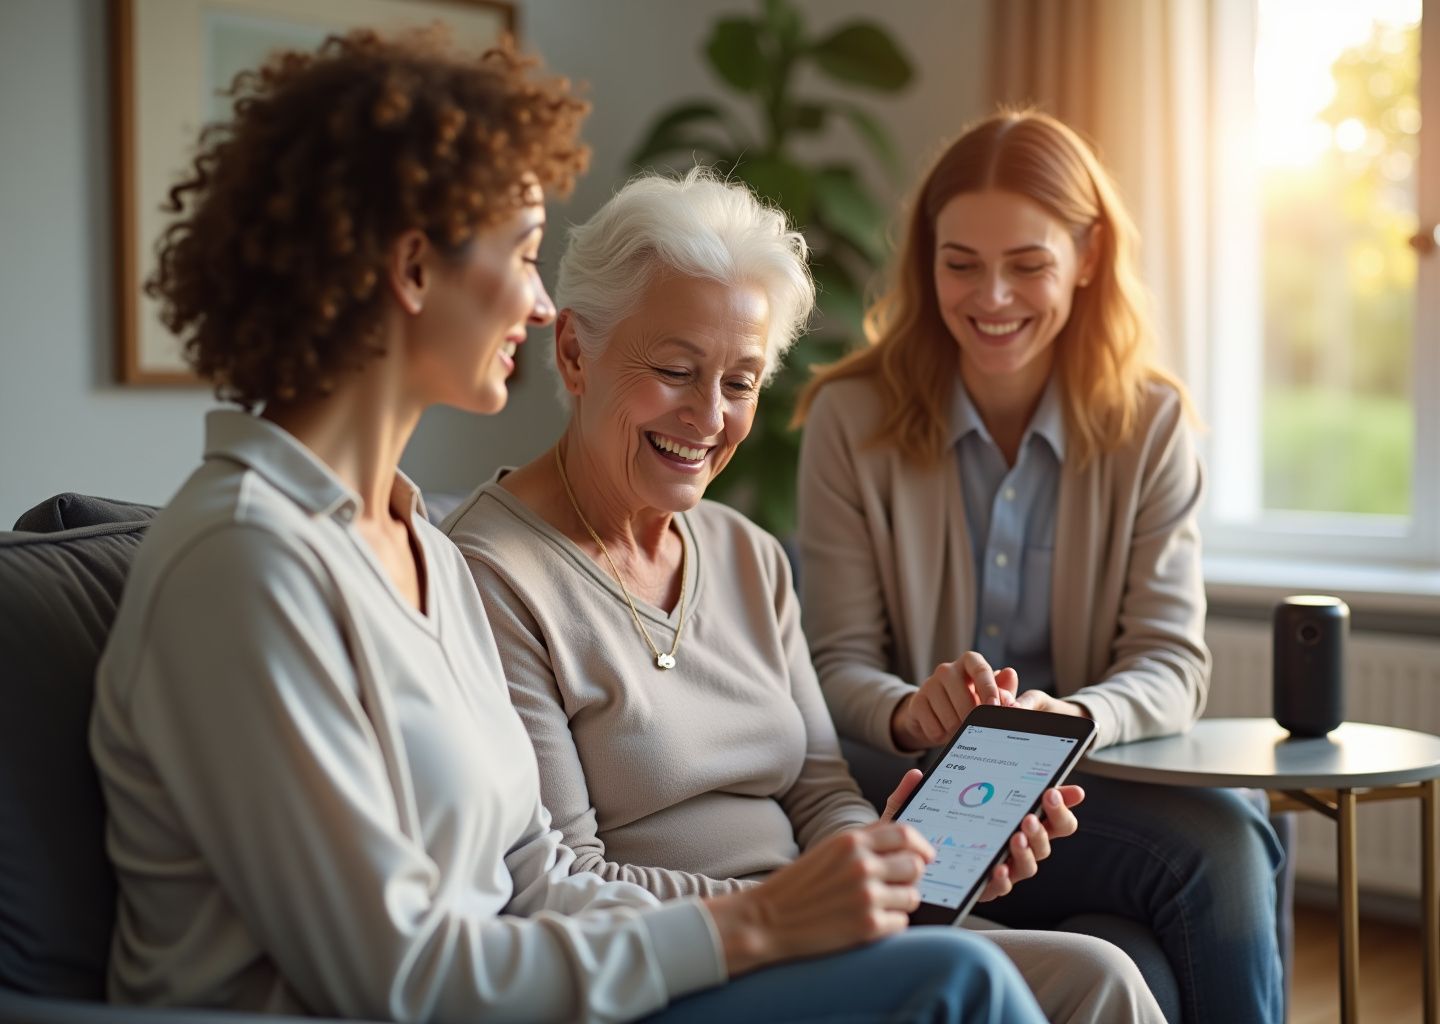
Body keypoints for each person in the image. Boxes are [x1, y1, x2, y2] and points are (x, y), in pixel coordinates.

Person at [88, 30, 1050, 1024]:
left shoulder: (415, 543)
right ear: (415, 268)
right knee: (962, 985)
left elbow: (536, 877)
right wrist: (759, 921)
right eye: (523, 253)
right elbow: (397, 975)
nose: (545, 304)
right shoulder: (246, 564)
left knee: (1032, 972)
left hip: (545, 991)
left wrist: (852, 892)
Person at [443, 169, 1166, 1024]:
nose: (709, 417)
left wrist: (896, 864)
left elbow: (820, 793)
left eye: (741, 383)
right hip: (679, 961)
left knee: (1103, 976)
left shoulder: (748, 556)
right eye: (676, 370)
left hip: (821, 927)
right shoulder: (491, 574)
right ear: (573, 352)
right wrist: (801, 904)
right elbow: (561, 882)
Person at [792, 108, 1286, 1024]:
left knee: (1161, 933)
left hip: (1075, 788)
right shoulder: (848, 418)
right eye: (960, 264)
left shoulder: (1152, 425)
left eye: (1028, 264)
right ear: (925, 258)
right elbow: (832, 663)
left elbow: (1172, 663)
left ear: (1088, 256)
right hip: (908, 782)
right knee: (1217, 849)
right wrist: (908, 708)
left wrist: (1070, 719)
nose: (992, 298)